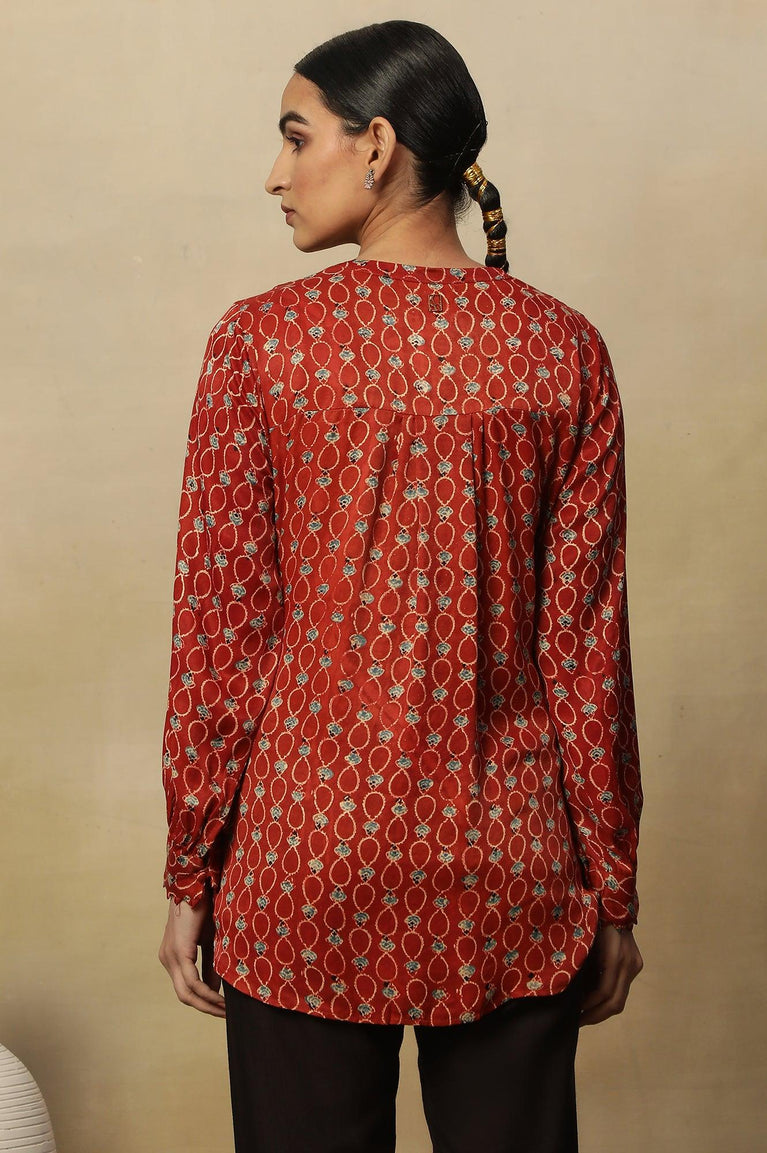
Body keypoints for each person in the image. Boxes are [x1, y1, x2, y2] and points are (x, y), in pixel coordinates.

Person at [158, 19, 644, 1153]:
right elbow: (585, 652)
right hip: (508, 868)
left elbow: (223, 632)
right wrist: (611, 886)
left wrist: (192, 864)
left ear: (375, 145)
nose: (275, 174)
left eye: (296, 137)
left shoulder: (262, 343)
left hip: (302, 864)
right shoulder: (562, 350)